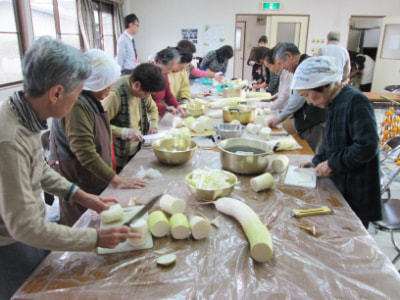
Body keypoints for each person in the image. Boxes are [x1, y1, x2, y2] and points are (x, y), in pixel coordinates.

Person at [0, 37, 139, 300]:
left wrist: (82, 196)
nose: (77, 100)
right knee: (27, 291)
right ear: (56, 93)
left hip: (26, 226)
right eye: (77, 94)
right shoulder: (8, 139)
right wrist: (95, 238)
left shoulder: (23, 112)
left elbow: (39, 168)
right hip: (8, 242)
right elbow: (24, 228)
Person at [48, 49, 148, 227]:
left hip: (92, 176)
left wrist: (123, 132)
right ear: (94, 83)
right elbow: (85, 152)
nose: (110, 90)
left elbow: (95, 130)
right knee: (81, 225)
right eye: (107, 85)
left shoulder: (90, 100)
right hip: (79, 178)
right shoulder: (77, 105)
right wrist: (116, 179)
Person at [293, 56, 381, 228]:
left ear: (325, 85)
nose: (309, 101)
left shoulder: (356, 101)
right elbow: (331, 142)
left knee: (351, 234)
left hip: (357, 188)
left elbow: (367, 146)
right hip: (341, 182)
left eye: (307, 95)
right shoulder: (333, 102)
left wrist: (333, 163)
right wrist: (317, 161)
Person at [102, 63, 166, 171]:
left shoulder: (142, 88)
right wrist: (124, 132)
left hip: (137, 147)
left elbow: (152, 108)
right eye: (147, 93)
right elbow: (98, 126)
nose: (148, 96)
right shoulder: (115, 95)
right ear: (136, 85)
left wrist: (154, 125)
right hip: (120, 153)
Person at [267, 43, 326, 153]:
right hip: (308, 121)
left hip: (315, 122)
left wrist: (280, 118)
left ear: (289, 56)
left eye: (281, 63)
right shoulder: (302, 65)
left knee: (310, 153)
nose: (282, 67)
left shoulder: (305, 67)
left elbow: (298, 98)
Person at [151, 47, 186, 118]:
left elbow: (168, 95)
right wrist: (165, 108)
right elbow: (145, 103)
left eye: (172, 69)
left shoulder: (164, 74)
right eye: (169, 69)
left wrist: (177, 106)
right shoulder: (148, 75)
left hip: (156, 113)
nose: (170, 72)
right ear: (159, 62)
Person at [261, 47, 292, 111]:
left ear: (276, 62)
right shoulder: (281, 72)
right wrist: (273, 97)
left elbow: (286, 95)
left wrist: (269, 106)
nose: (270, 70)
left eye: (269, 67)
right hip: (283, 109)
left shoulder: (287, 71)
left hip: (286, 110)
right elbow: (283, 91)